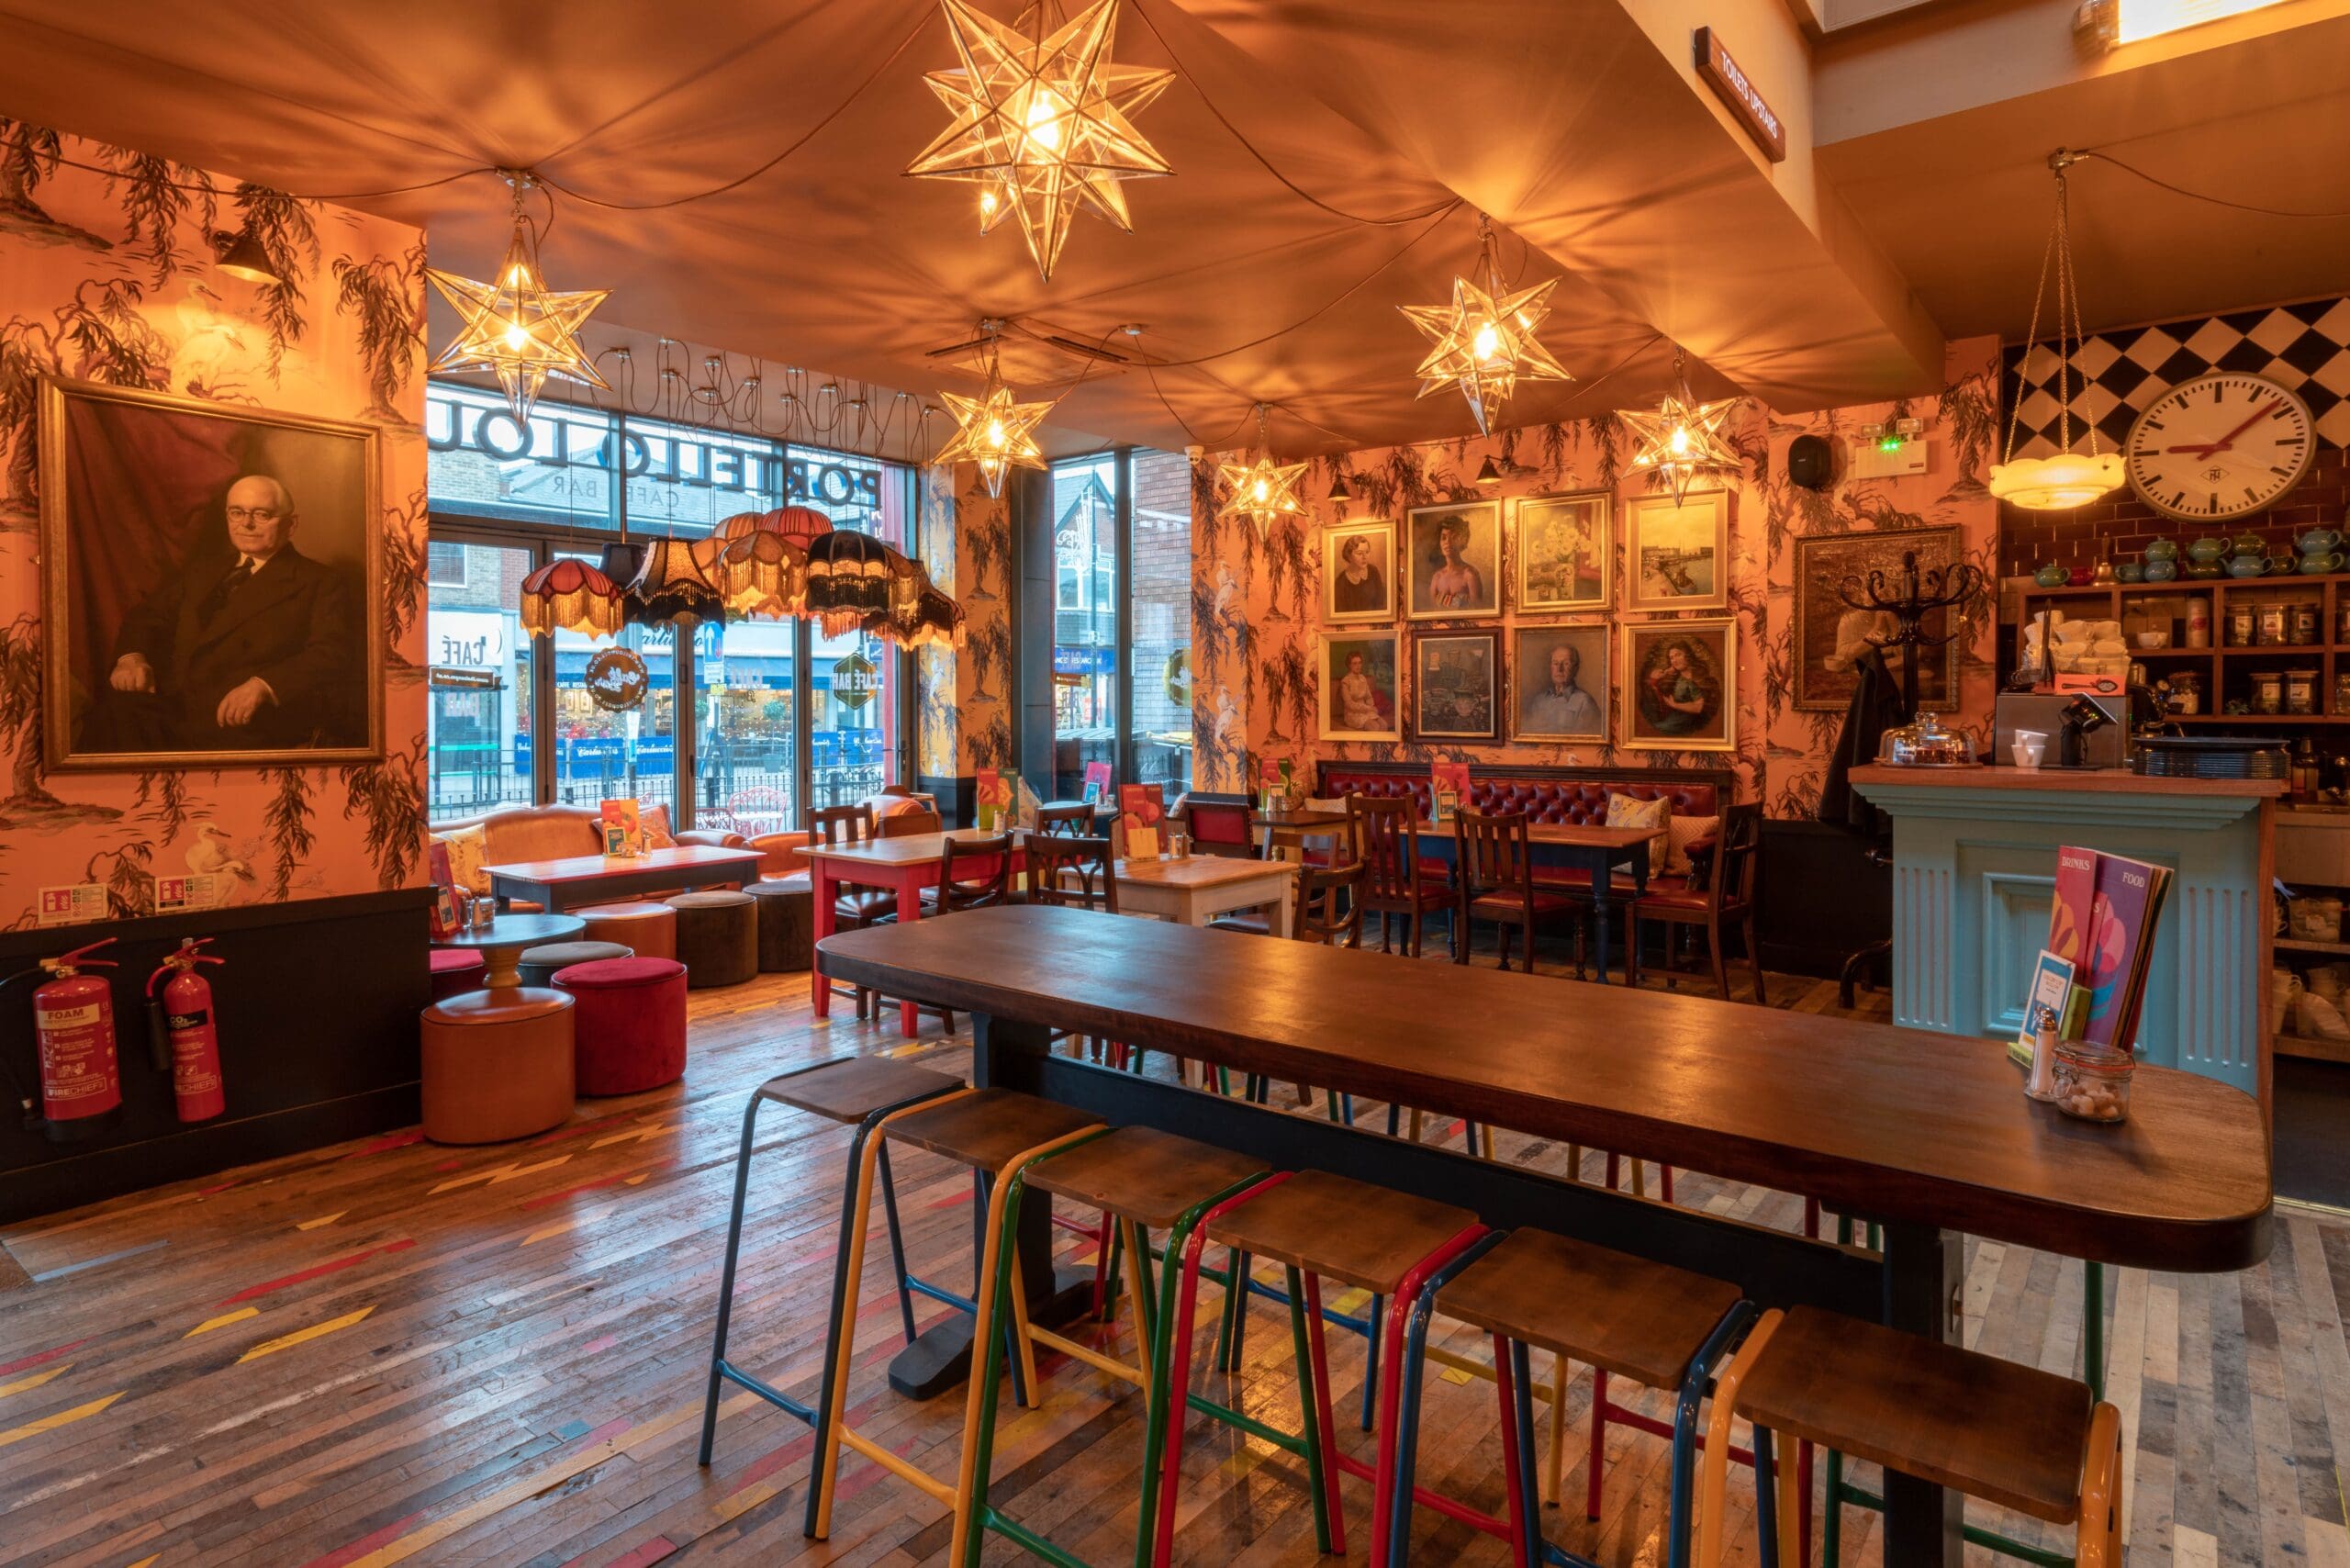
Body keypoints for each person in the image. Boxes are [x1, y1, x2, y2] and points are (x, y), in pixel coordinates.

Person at [84, 474, 360, 753]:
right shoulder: (204, 570)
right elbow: (147, 617)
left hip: (243, 722)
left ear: (291, 524)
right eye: (237, 513)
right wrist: (131, 657)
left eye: (262, 515)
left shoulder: (320, 581)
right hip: (173, 709)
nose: (246, 525)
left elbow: (330, 653)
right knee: (107, 718)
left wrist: (264, 686)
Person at [1522, 641, 1603, 735]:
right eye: (1555, 663)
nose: (1559, 669)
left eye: (1566, 663)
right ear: (1550, 667)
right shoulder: (1538, 701)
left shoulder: (1585, 703)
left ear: (1576, 668)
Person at [1425, 515, 1484, 610]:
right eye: (1444, 538)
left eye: (1454, 537)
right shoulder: (1437, 577)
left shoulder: (1470, 575)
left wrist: (1446, 600)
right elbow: (1432, 613)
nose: (1447, 542)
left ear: (1462, 541)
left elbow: (1477, 611)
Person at [1331, 532, 1386, 614]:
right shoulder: (1341, 582)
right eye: (1359, 553)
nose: (1364, 557)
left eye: (1367, 552)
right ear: (1349, 555)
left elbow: (1381, 603)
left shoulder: (1373, 571)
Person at [1335, 650, 1387, 732]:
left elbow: (1368, 697)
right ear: (1349, 665)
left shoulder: (1363, 678)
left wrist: (1371, 707)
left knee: (1384, 725)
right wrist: (1367, 708)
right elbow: (1349, 704)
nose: (1358, 666)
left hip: (1366, 711)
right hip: (1352, 714)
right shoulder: (1345, 682)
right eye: (1355, 663)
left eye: (1360, 663)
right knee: (1375, 727)